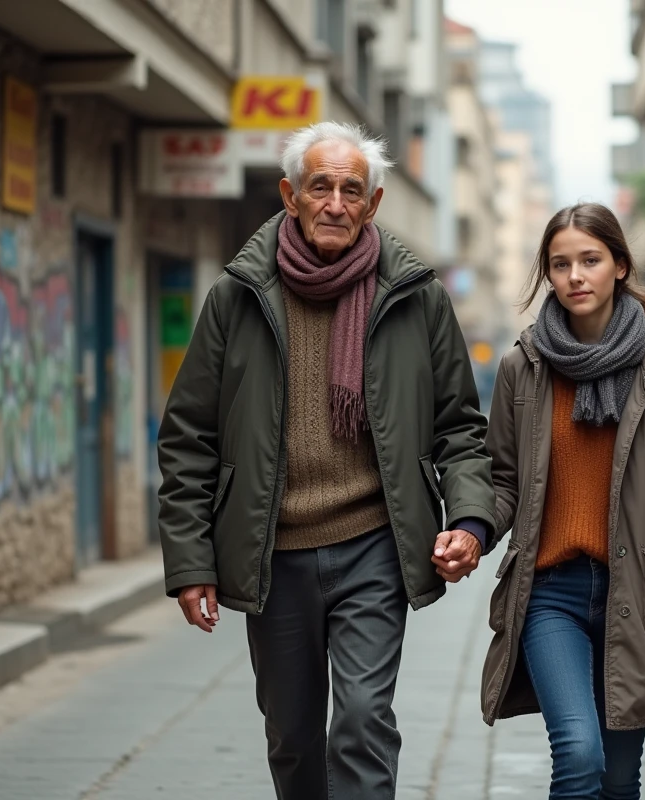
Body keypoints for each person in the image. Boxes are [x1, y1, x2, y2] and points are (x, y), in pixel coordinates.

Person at [157, 121, 496, 800]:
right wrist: (191, 561)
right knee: (292, 734)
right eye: (321, 187)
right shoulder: (238, 296)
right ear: (291, 195)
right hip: (273, 551)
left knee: (365, 720)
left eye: (352, 189)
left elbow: (460, 426)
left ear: (372, 205)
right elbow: (190, 435)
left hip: (373, 544)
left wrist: (470, 519)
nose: (336, 203)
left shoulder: (416, 296)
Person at [480, 203, 645, 799]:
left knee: (621, 779)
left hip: (639, 594)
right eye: (560, 263)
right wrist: (471, 531)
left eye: (590, 260)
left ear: (619, 266)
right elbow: (502, 481)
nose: (575, 276)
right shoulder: (526, 366)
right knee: (578, 752)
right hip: (550, 594)